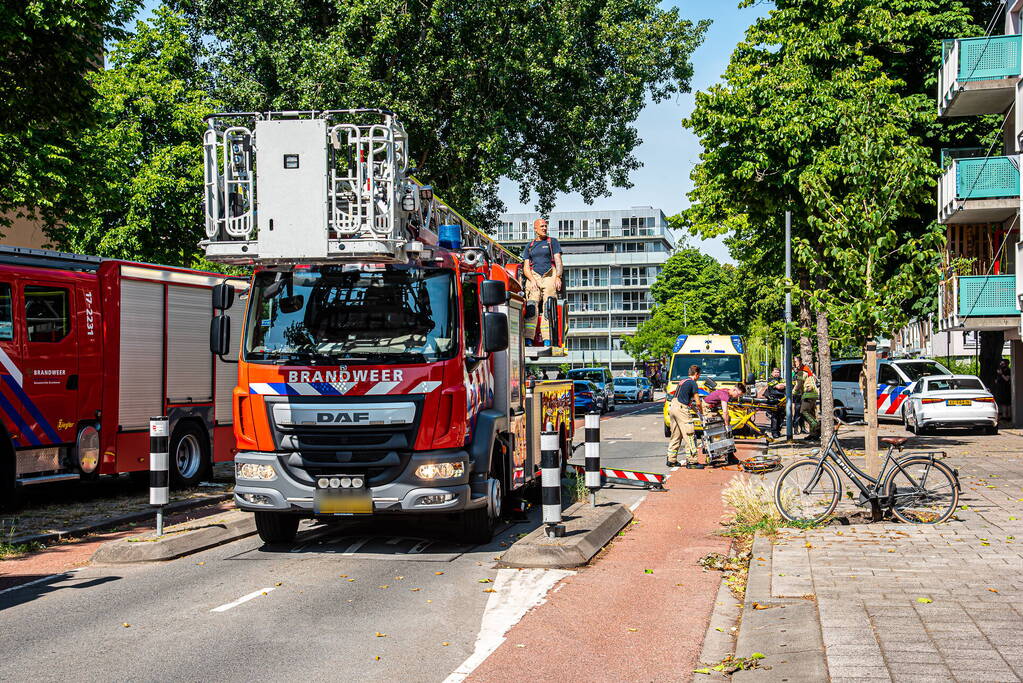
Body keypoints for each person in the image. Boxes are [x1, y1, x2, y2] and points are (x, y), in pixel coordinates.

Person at [521, 218, 563, 347]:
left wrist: (558, 277)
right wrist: (532, 280)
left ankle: (547, 339)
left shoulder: (553, 242)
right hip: (534, 277)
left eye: (545, 226)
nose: (544, 228)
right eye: (541, 226)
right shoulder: (530, 246)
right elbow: (526, 267)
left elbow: (558, 261)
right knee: (531, 307)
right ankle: (528, 338)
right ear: (535, 229)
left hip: (550, 275)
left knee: (548, 307)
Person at [666, 365, 702, 469]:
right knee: (689, 434)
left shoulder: (682, 381)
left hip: (673, 406)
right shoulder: (693, 383)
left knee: (676, 435)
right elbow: (698, 402)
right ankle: (692, 461)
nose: (699, 377)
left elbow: (688, 402)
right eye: (699, 375)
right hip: (682, 409)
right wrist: (702, 412)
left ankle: (671, 459)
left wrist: (696, 411)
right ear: (696, 374)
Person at [793, 356, 820, 440]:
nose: (794, 363)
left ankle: (817, 425)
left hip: (808, 394)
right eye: (793, 362)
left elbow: (799, 385)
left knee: (803, 411)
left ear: (800, 361)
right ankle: (813, 434)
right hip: (812, 393)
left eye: (795, 361)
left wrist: (792, 393)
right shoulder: (805, 369)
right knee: (811, 413)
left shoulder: (802, 371)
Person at [765, 367, 786, 438]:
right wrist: (783, 385)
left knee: (782, 416)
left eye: (778, 372)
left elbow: (789, 384)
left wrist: (783, 385)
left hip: (782, 400)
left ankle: (778, 430)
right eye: (775, 372)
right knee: (775, 417)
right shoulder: (770, 379)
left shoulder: (781, 379)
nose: (777, 374)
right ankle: (774, 432)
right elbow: (779, 387)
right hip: (773, 400)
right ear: (772, 373)